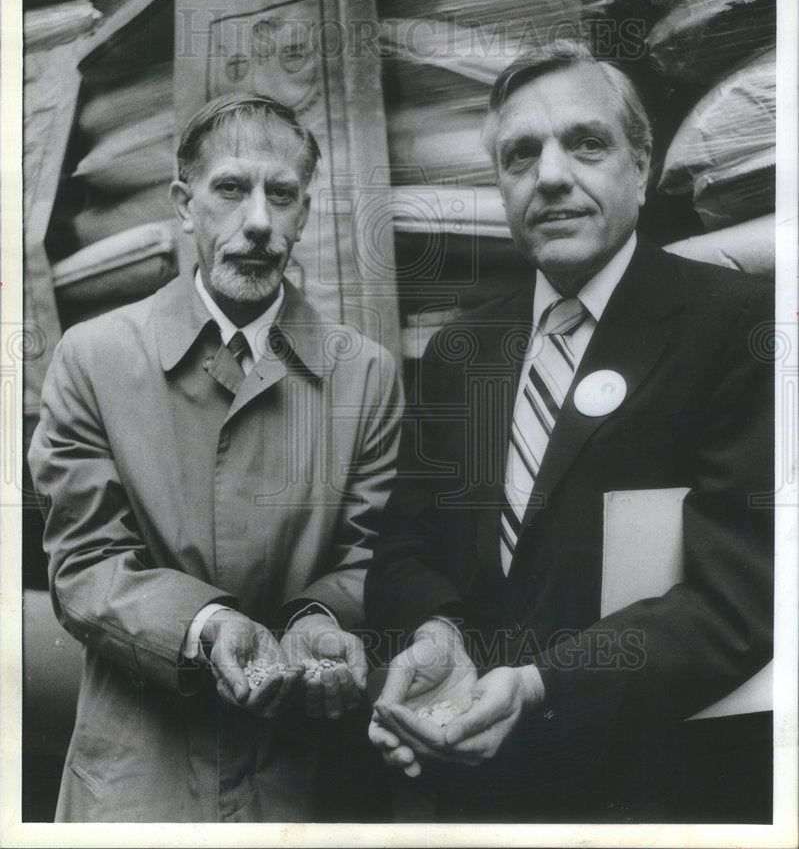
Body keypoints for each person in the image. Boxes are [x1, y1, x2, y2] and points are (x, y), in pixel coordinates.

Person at [365, 41, 774, 822]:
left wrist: (543, 686)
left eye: (585, 143)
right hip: (476, 795)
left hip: (653, 797)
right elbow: (403, 552)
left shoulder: (734, 327)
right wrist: (436, 634)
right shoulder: (460, 354)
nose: (550, 174)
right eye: (520, 154)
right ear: (500, 182)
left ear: (641, 166)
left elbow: (740, 599)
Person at [28, 93, 402, 822]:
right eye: (231, 188)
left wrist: (318, 622)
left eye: (281, 194)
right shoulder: (94, 359)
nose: (257, 221)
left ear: (303, 215)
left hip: (300, 778)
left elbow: (372, 554)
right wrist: (207, 628)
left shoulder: (365, 375)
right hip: (139, 777)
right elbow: (83, 564)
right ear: (184, 203)